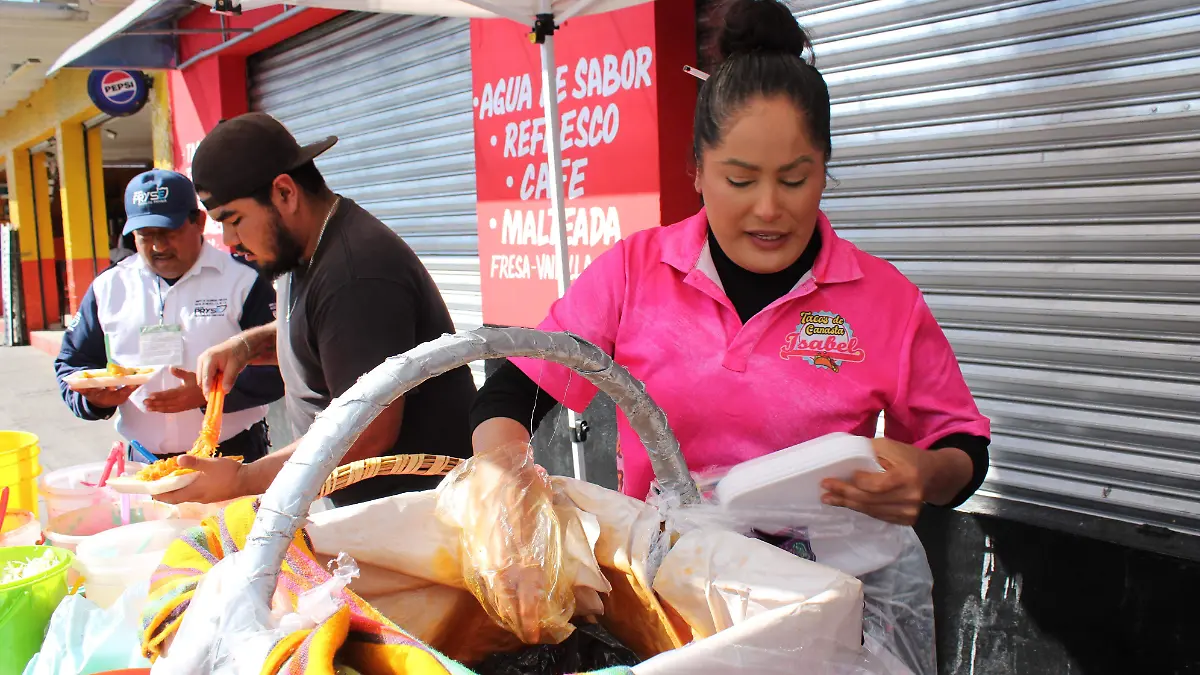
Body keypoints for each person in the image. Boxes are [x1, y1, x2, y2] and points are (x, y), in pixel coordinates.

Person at [470, 0, 991, 526]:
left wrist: (923, 474)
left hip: (825, 588)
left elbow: (961, 446)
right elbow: (514, 391)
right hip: (665, 583)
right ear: (697, 171)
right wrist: (504, 487)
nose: (769, 208)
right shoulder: (635, 271)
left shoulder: (885, 300)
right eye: (740, 180)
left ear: (824, 170)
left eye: (794, 180)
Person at [155, 112, 477, 507]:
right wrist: (245, 348)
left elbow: (367, 431)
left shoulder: (356, 273)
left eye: (234, 220)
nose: (230, 240)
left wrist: (242, 479)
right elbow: (322, 332)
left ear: (285, 193)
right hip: (358, 508)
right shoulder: (301, 247)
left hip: (410, 516)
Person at [55, 169, 284, 462]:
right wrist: (91, 400)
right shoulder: (108, 287)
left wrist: (212, 393)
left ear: (198, 222)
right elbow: (73, 363)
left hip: (231, 456)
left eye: (168, 233)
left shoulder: (244, 280)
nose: (158, 247)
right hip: (143, 463)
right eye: (145, 235)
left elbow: (284, 363)